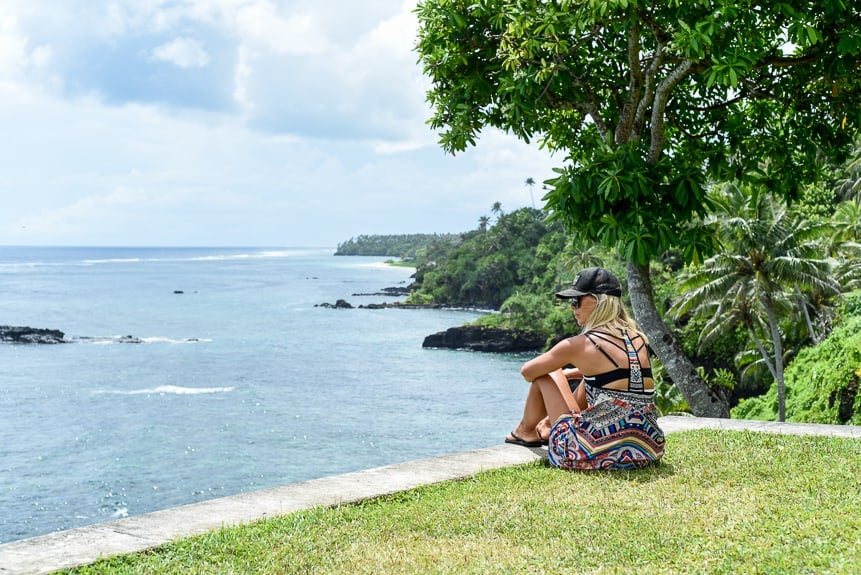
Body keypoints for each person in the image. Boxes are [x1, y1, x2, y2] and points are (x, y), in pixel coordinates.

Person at [504, 266, 665, 470]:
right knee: (589, 380)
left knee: (547, 372)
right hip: (646, 450)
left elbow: (528, 371)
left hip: (593, 453)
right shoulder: (638, 339)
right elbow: (620, 376)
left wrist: (562, 372)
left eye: (576, 301)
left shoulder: (582, 343)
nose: (573, 307)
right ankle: (545, 426)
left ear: (597, 301)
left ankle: (525, 431)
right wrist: (574, 372)